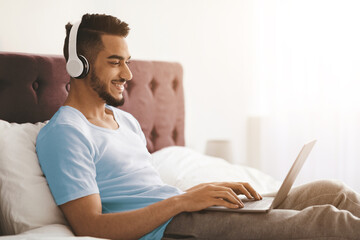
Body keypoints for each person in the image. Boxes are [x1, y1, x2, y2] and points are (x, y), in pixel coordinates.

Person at [36, 13, 360, 240]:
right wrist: (182, 202)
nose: (128, 75)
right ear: (79, 64)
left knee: (333, 191)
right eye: (115, 62)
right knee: (329, 222)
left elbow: (147, 192)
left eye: (128, 62)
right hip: (169, 229)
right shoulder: (66, 133)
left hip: (181, 210)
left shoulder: (125, 120)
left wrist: (202, 193)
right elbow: (91, 227)